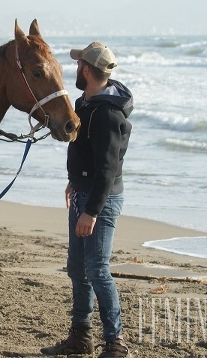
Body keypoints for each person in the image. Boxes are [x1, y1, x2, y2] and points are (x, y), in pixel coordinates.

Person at [41, 42, 133, 358]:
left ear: (86, 70)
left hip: (100, 201)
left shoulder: (107, 114)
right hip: (82, 193)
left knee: (97, 269)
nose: (75, 69)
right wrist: (73, 181)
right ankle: (80, 338)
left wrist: (92, 211)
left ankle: (115, 343)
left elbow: (108, 168)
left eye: (79, 64)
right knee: (78, 268)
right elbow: (82, 149)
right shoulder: (86, 101)